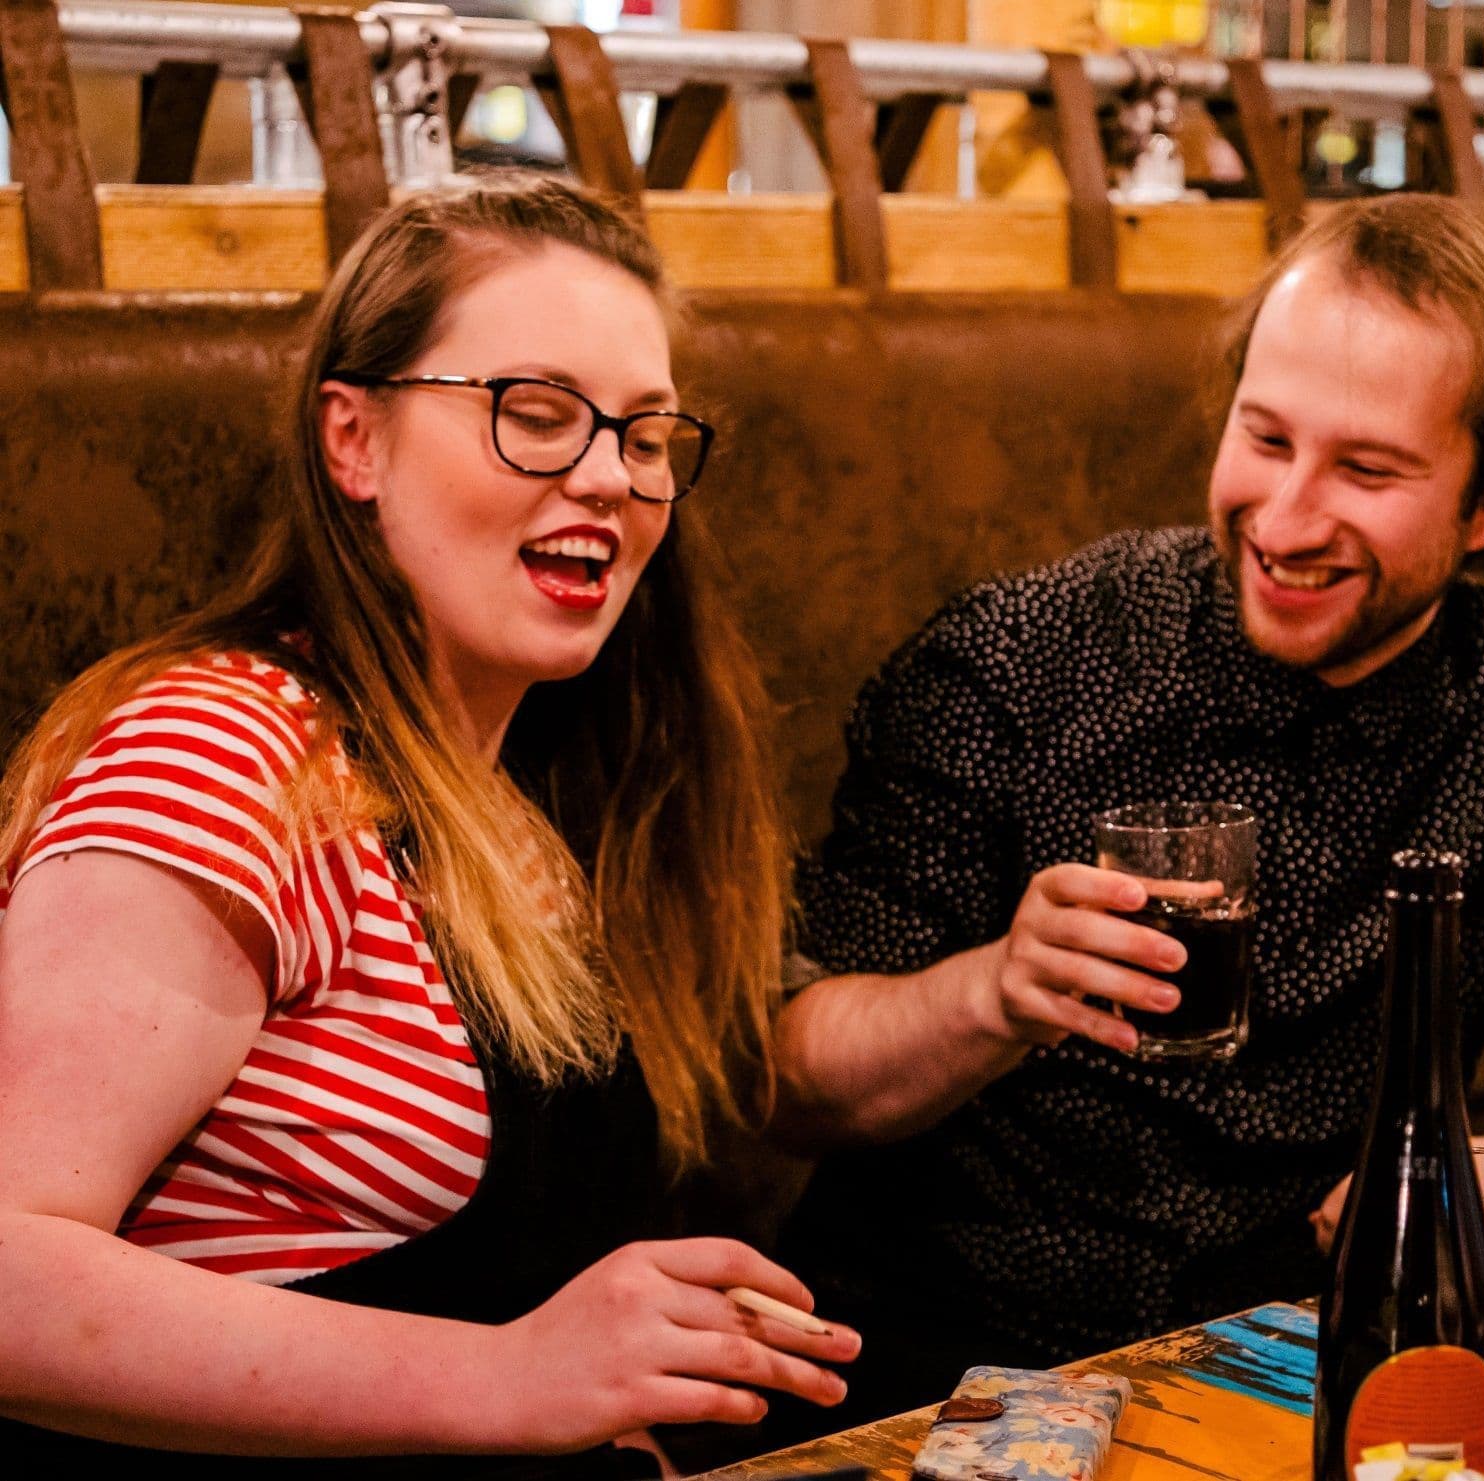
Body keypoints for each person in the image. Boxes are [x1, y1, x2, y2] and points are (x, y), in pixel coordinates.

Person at [768, 194, 1484, 1430]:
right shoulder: (1021, 655)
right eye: (1265, 439)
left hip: (1286, 1381)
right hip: (931, 1385)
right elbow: (791, 1079)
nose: (1289, 517)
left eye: (1366, 468)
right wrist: (992, 990)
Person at [0, 175, 859, 1472]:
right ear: (354, 439)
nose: (609, 477)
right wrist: (514, 1373)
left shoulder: (531, 800)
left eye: (642, 435)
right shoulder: (228, 749)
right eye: (535, 414)